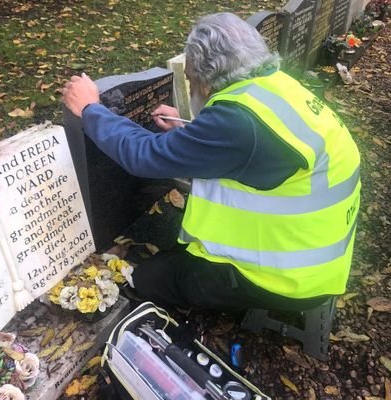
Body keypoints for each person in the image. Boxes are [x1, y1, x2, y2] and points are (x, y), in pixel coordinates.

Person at [62, 13, 361, 313]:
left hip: (285, 280)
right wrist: (189, 133)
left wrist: (90, 109)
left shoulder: (237, 122)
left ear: (205, 79)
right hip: (315, 259)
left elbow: (144, 156)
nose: (193, 87)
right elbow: (252, 148)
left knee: (144, 278)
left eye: (191, 78)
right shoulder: (275, 86)